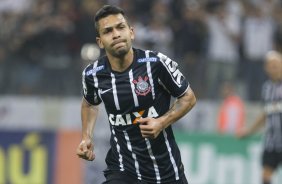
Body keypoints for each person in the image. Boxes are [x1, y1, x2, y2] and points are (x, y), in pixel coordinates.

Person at [76, 5, 197, 184]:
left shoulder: (156, 63)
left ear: (131, 32)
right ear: (100, 42)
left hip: (166, 172)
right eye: (108, 31)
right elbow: (89, 103)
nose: (116, 34)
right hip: (123, 170)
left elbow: (188, 97)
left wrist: (161, 122)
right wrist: (86, 137)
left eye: (120, 27)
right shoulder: (93, 74)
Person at [238, 50, 282, 184]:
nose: (273, 68)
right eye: (270, 65)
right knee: (266, 176)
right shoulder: (266, 88)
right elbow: (265, 114)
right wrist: (249, 131)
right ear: (266, 68)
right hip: (271, 141)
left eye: (276, 65)